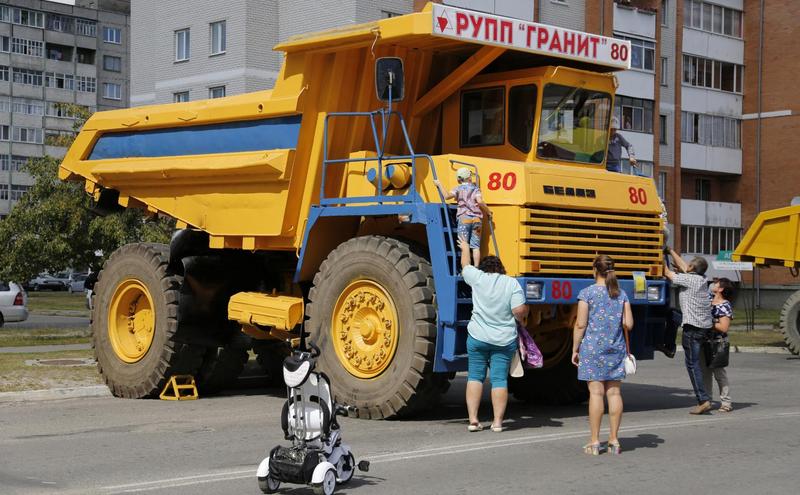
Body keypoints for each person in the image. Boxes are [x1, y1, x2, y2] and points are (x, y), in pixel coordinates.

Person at [459, 239, 528, 433]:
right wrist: (523, 317)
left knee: (475, 377)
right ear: (501, 269)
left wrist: (465, 248)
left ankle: (473, 420)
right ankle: (497, 422)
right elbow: (519, 310)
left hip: (478, 337)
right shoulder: (511, 283)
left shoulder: (478, 278)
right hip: (503, 340)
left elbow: (465, 265)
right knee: (499, 379)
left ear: (484, 268)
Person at [572, 255, 634, 455]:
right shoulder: (621, 293)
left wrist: (575, 348)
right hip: (615, 349)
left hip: (592, 349)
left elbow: (580, 324)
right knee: (614, 393)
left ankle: (595, 441)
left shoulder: (586, 293)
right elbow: (629, 324)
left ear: (594, 269)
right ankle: (614, 440)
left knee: (596, 394)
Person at [664, 248, 714, 415]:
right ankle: (668, 346)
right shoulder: (701, 279)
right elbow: (684, 267)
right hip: (702, 326)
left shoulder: (690, 280)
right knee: (671, 315)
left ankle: (703, 400)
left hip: (693, 329)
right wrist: (670, 251)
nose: (687, 265)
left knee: (692, 365)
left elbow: (668, 274)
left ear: (692, 268)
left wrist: (656, 256)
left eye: (690, 264)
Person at [434, 167, 491, 266]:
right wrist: (488, 212)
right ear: (470, 178)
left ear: (458, 179)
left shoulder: (457, 189)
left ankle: (466, 268)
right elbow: (480, 202)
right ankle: (476, 268)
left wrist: (439, 184)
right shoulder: (476, 189)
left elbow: (446, 196)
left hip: (464, 219)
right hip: (477, 220)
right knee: (476, 246)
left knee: (464, 245)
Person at [702, 277, 734, 412]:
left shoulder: (724, 305)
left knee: (719, 373)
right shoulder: (709, 300)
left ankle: (726, 403)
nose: (713, 285)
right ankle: (707, 401)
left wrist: (709, 323)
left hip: (718, 343)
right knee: (705, 373)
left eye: (716, 284)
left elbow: (724, 327)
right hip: (704, 341)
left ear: (721, 289)